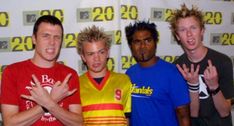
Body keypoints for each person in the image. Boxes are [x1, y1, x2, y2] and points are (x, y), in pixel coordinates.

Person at [0, 15, 83, 126]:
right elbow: (10, 123)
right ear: (34, 39)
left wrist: (49, 103)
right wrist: (51, 100)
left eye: (57, 37)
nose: (52, 42)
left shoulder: (69, 74)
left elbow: (78, 123)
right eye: (46, 36)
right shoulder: (12, 72)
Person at [170, 4, 234, 126]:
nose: (189, 34)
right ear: (177, 36)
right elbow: (193, 113)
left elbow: (225, 111)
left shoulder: (223, 61)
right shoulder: (177, 67)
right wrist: (193, 85)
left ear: (202, 31)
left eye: (193, 28)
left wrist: (214, 86)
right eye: (183, 30)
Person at [125, 20, 190, 126]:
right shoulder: (129, 74)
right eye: (137, 42)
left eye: (147, 40)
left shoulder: (172, 73)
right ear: (131, 46)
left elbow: (183, 116)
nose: (142, 46)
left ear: (155, 42)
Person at [77, 25, 131, 126]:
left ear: (107, 53)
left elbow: (128, 119)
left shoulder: (124, 80)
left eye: (101, 52)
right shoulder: (76, 85)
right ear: (83, 57)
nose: (96, 59)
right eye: (90, 54)